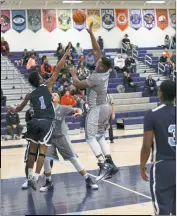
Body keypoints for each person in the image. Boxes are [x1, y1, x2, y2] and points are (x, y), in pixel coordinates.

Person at [15, 43, 71, 190]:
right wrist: (65, 54)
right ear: (40, 80)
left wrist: (13, 109)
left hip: (34, 122)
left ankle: (30, 176)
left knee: (32, 150)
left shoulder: (29, 94)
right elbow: (58, 68)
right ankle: (35, 177)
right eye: (40, 76)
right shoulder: (48, 86)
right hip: (46, 122)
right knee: (43, 151)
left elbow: (19, 108)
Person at [70, 22, 118, 182]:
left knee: (90, 137)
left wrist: (73, 73)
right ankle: (111, 162)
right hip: (105, 109)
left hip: (97, 109)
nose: (96, 61)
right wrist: (91, 33)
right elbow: (97, 50)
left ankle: (102, 165)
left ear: (102, 67)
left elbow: (77, 84)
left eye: (98, 63)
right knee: (100, 136)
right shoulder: (106, 70)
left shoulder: (96, 77)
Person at [40, 92, 98, 191]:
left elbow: (77, 109)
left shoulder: (63, 108)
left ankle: (88, 179)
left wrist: (79, 112)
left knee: (73, 159)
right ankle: (48, 182)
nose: (53, 95)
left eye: (55, 94)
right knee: (46, 159)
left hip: (61, 137)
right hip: (49, 138)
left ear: (59, 99)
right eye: (52, 94)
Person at [140, 80, 176, 215]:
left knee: (163, 210)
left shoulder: (152, 114)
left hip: (163, 166)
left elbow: (146, 145)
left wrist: (142, 165)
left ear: (160, 93)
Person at [21, 104, 54, 189]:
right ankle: (28, 179)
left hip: (44, 137)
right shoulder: (29, 111)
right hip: (34, 138)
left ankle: (46, 178)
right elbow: (29, 124)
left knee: (48, 159)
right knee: (29, 159)